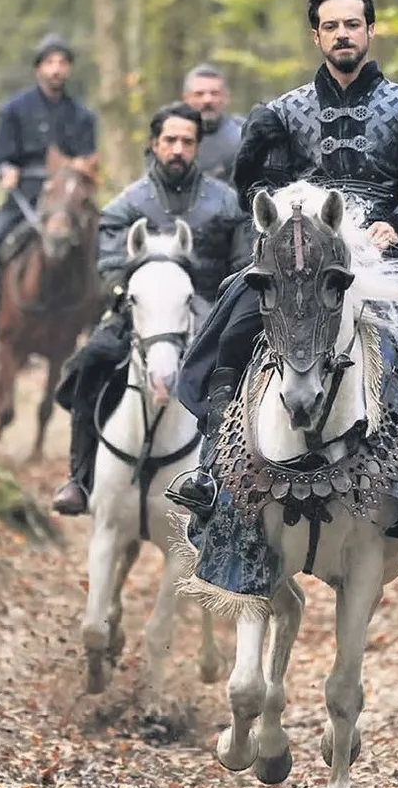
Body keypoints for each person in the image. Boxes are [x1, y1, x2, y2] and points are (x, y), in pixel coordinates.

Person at [171, 0, 398, 519]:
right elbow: (259, 187)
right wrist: (286, 221)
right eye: (331, 26)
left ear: (370, 30)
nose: (342, 34)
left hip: (384, 241)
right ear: (316, 36)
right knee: (235, 309)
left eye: (352, 24)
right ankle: (209, 468)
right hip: (301, 243)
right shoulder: (284, 113)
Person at [50, 103, 249, 515]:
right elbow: (107, 268)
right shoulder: (126, 205)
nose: (178, 149)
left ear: (197, 146)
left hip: (210, 319)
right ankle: (80, 477)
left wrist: (218, 312)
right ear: (155, 145)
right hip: (138, 319)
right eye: (170, 141)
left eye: (187, 142)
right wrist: (130, 298)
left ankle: (236, 490)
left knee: (249, 372)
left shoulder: (228, 204)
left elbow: (243, 264)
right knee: (90, 363)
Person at [0, 33, 99, 347]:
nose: (56, 69)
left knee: (103, 247)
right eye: (50, 62)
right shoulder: (14, 110)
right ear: (38, 69)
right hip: (25, 196)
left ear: (69, 69)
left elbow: (89, 158)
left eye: (62, 63)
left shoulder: (83, 116)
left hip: (69, 197)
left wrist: (78, 170)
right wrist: (6, 170)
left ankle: (98, 324)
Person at [182, 63, 245, 183]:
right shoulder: (169, 139)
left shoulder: (244, 136)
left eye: (214, 93)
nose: (207, 100)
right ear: (186, 98)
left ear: (226, 97)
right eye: (199, 94)